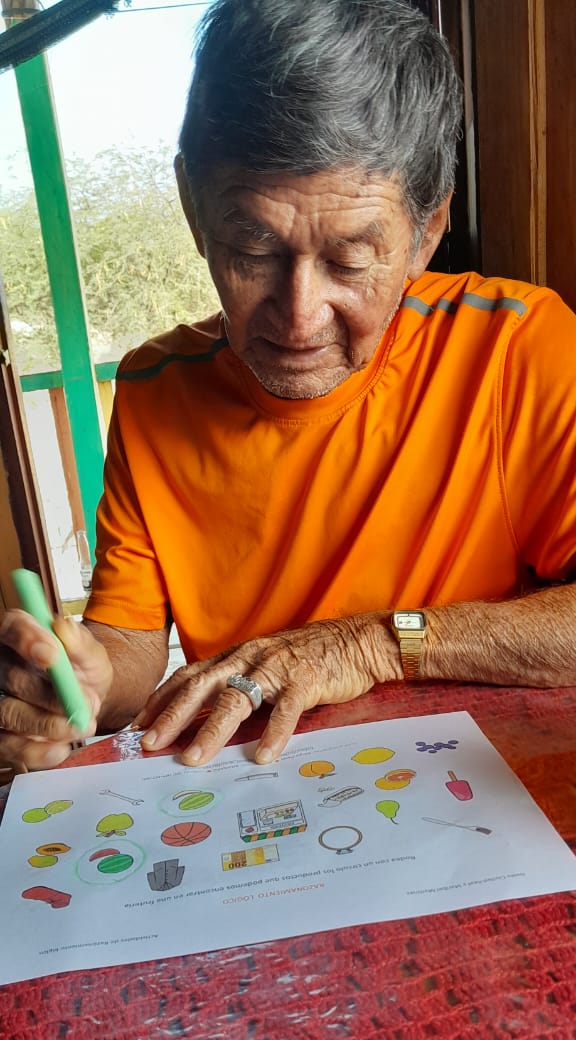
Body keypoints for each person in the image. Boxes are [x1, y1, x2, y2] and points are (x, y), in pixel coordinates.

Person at [1, 0, 576, 773]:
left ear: (427, 231)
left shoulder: (515, 348)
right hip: (255, 799)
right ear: (194, 209)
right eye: (254, 249)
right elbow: (129, 643)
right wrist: (85, 679)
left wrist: (377, 643)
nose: (299, 317)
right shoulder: (154, 390)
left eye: (349, 259)